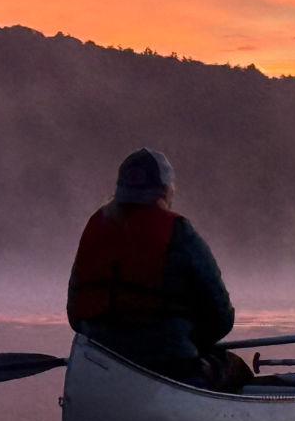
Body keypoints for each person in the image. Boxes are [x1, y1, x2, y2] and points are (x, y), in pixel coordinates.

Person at [67, 148, 246, 388]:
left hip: (101, 365)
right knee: (237, 370)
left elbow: (76, 316)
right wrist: (192, 343)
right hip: (170, 366)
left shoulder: (96, 227)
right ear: (164, 190)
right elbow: (221, 318)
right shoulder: (179, 232)